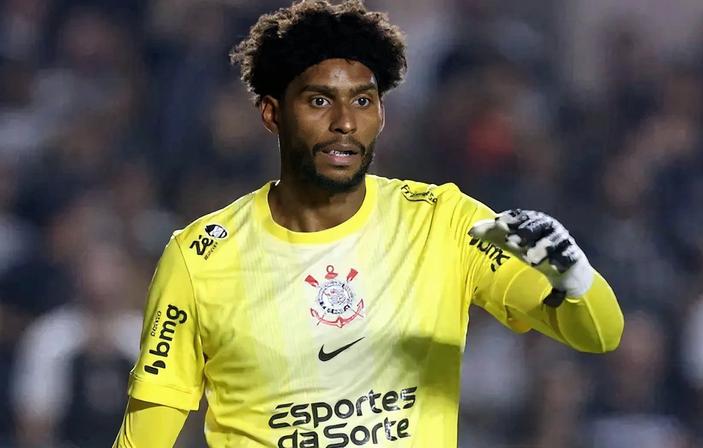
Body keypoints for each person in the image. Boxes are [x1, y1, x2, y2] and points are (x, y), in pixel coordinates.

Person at [113, 1, 624, 446]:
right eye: (319, 101)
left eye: (362, 100)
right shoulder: (200, 257)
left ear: (381, 114)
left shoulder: (445, 222)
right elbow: (144, 437)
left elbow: (600, 334)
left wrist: (574, 278)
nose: (345, 122)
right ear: (272, 114)